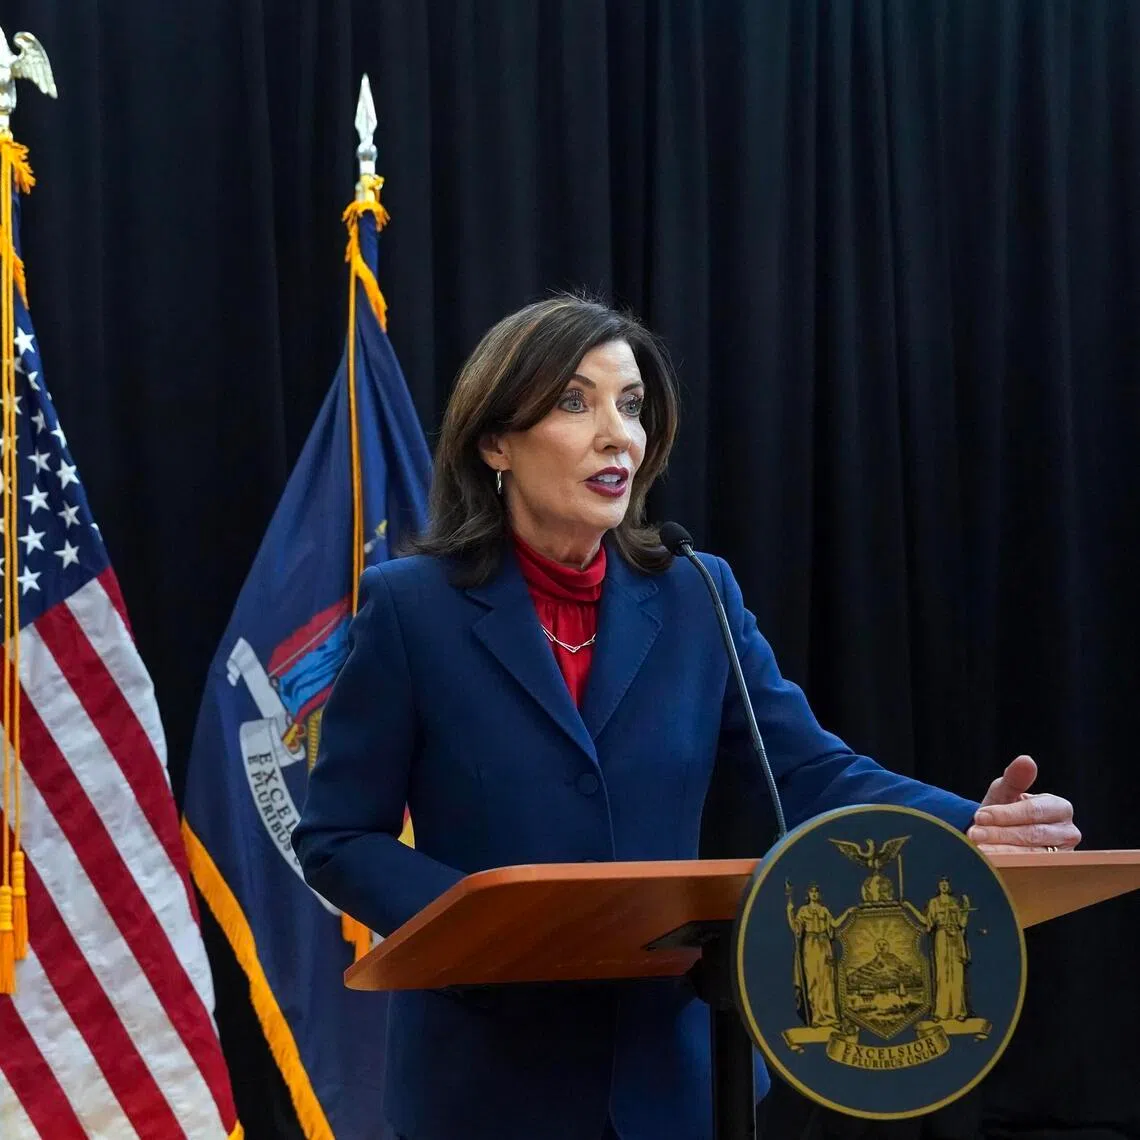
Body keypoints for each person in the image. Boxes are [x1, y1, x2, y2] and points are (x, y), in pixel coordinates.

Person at [291, 296, 1080, 1140]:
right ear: (495, 442)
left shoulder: (698, 591)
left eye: (630, 405)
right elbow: (339, 838)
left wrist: (967, 823)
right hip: (487, 1080)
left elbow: (807, 771)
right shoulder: (413, 610)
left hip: (675, 1081)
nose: (617, 434)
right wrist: (489, 933)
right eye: (574, 401)